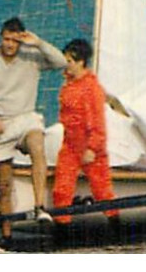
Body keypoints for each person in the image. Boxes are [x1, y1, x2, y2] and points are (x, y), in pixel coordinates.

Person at [0, 17, 67, 239]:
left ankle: (40, 206)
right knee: (3, 185)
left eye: (14, 40)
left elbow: (61, 62)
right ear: (0, 37)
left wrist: (38, 42)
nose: (10, 44)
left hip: (24, 119)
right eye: (6, 39)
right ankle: (7, 234)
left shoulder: (31, 56)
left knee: (37, 143)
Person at [52, 38, 115, 226]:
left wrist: (93, 148)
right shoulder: (69, 84)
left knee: (102, 190)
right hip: (70, 144)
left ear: (80, 62)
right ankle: (62, 228)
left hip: (89, 144)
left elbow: (98, 122)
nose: (66, 66)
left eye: (69, 61)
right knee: (61, 190)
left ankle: (115, 226)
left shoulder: (91, 88)